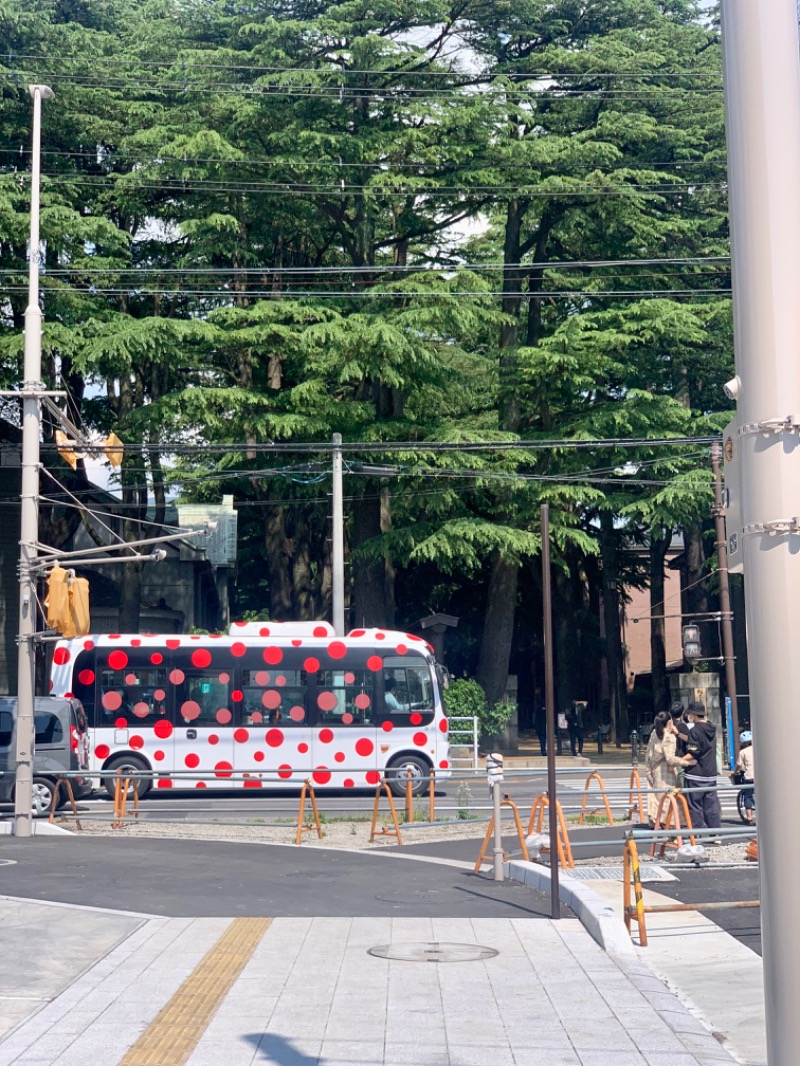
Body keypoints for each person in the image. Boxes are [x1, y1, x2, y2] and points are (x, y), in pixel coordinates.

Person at [670, 700, 721, 833]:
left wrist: (678, 761)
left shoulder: (695, 730)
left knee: (695, 805)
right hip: (710, 773)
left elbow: (693, 752)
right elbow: (699, 744)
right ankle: (716, 834)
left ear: (692, 715)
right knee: (711, 805)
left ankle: (696, 833)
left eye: (690, 714)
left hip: (696, 773)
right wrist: (678, 734)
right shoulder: (711, 727)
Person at [645, 711, 685, 826]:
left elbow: (648, 751)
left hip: (654, 769)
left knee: (657, 798)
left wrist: (648, 768)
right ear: (669, 722)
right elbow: (670, 758)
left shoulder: (654, 733)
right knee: (669, 798)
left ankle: (656, 822)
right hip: (667, 770)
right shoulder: (669, 737)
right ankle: (669, 823)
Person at [734, 730, 755, 823]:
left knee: (748, 796)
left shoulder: (743, 752)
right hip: (760, 777)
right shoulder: (758, 748)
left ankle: (749, 817)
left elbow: (739, 764)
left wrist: (734, 772)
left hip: (750, 777)